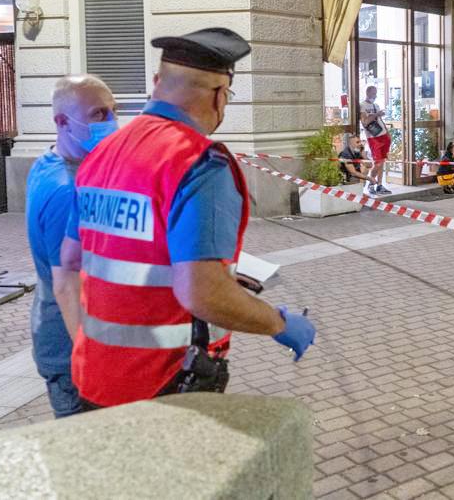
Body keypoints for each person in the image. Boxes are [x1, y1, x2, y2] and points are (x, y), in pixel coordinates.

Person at [60, 28, 316, 409]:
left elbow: (72, 260)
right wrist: (278, 322)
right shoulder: (199, 163)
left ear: (156, 83)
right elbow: (202, 292)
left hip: (94, 376)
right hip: (164, 385)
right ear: (218, 95)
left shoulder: (101, 153)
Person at [27, 74, 117, 418]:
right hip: (72, 355)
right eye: (98, 114)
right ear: (62, 121)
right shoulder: (68, 189)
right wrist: (93, 365)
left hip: (57, 340)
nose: (111, 122)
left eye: (113, 111)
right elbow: (67, 285)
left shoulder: (48, 161)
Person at [360, 86, 392, 195]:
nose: (375, 95)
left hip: (383, 135)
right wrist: (376, 114)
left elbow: (380, 121)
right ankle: (371, 183)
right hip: (373, 137)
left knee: (382, 162)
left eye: (376, 93)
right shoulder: (363, 105)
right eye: (373, 93)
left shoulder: (376, 105)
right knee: (378, 163)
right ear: (367, 93)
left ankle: (379, 185)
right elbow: (365, 122)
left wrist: (387, 133)